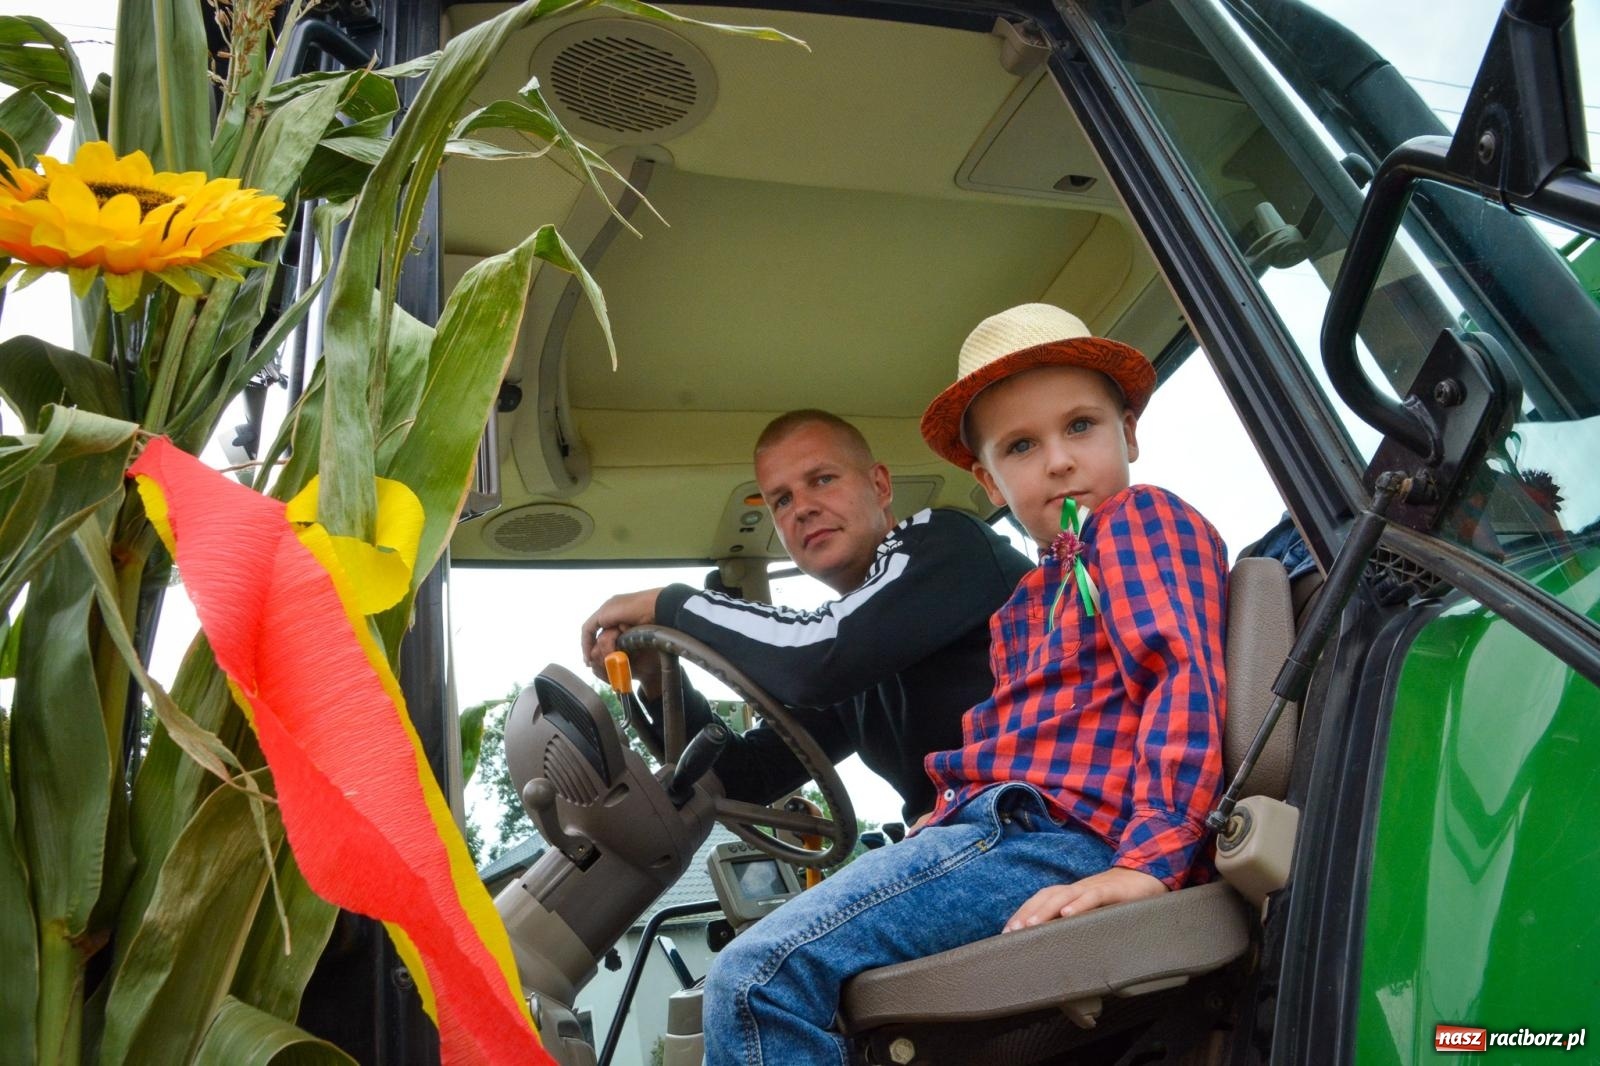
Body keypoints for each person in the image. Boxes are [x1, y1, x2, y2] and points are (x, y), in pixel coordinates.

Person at [700, 304, 1230, 1066]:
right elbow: (1005, 743)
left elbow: (1182, 680)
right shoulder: (1027, 604)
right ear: (988, 477)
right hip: (1002, 827)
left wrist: (1148, 862)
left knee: (757, 980)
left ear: (1129, 432)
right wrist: (942, 819)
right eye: (1022, 445)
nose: (1057, 461)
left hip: (1061, 835)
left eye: (1080, 426)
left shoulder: (1137, 523)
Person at [579, 409, 1032, 823]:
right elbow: (746, 779)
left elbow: (816, 658)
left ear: (879, 486)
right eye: (781, 500)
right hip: (957, 840)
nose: (802, 508)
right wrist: (660, 682)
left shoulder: (948, 542)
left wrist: (673, 605)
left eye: (822, 480)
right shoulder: (854, 661)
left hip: (1031, 821)